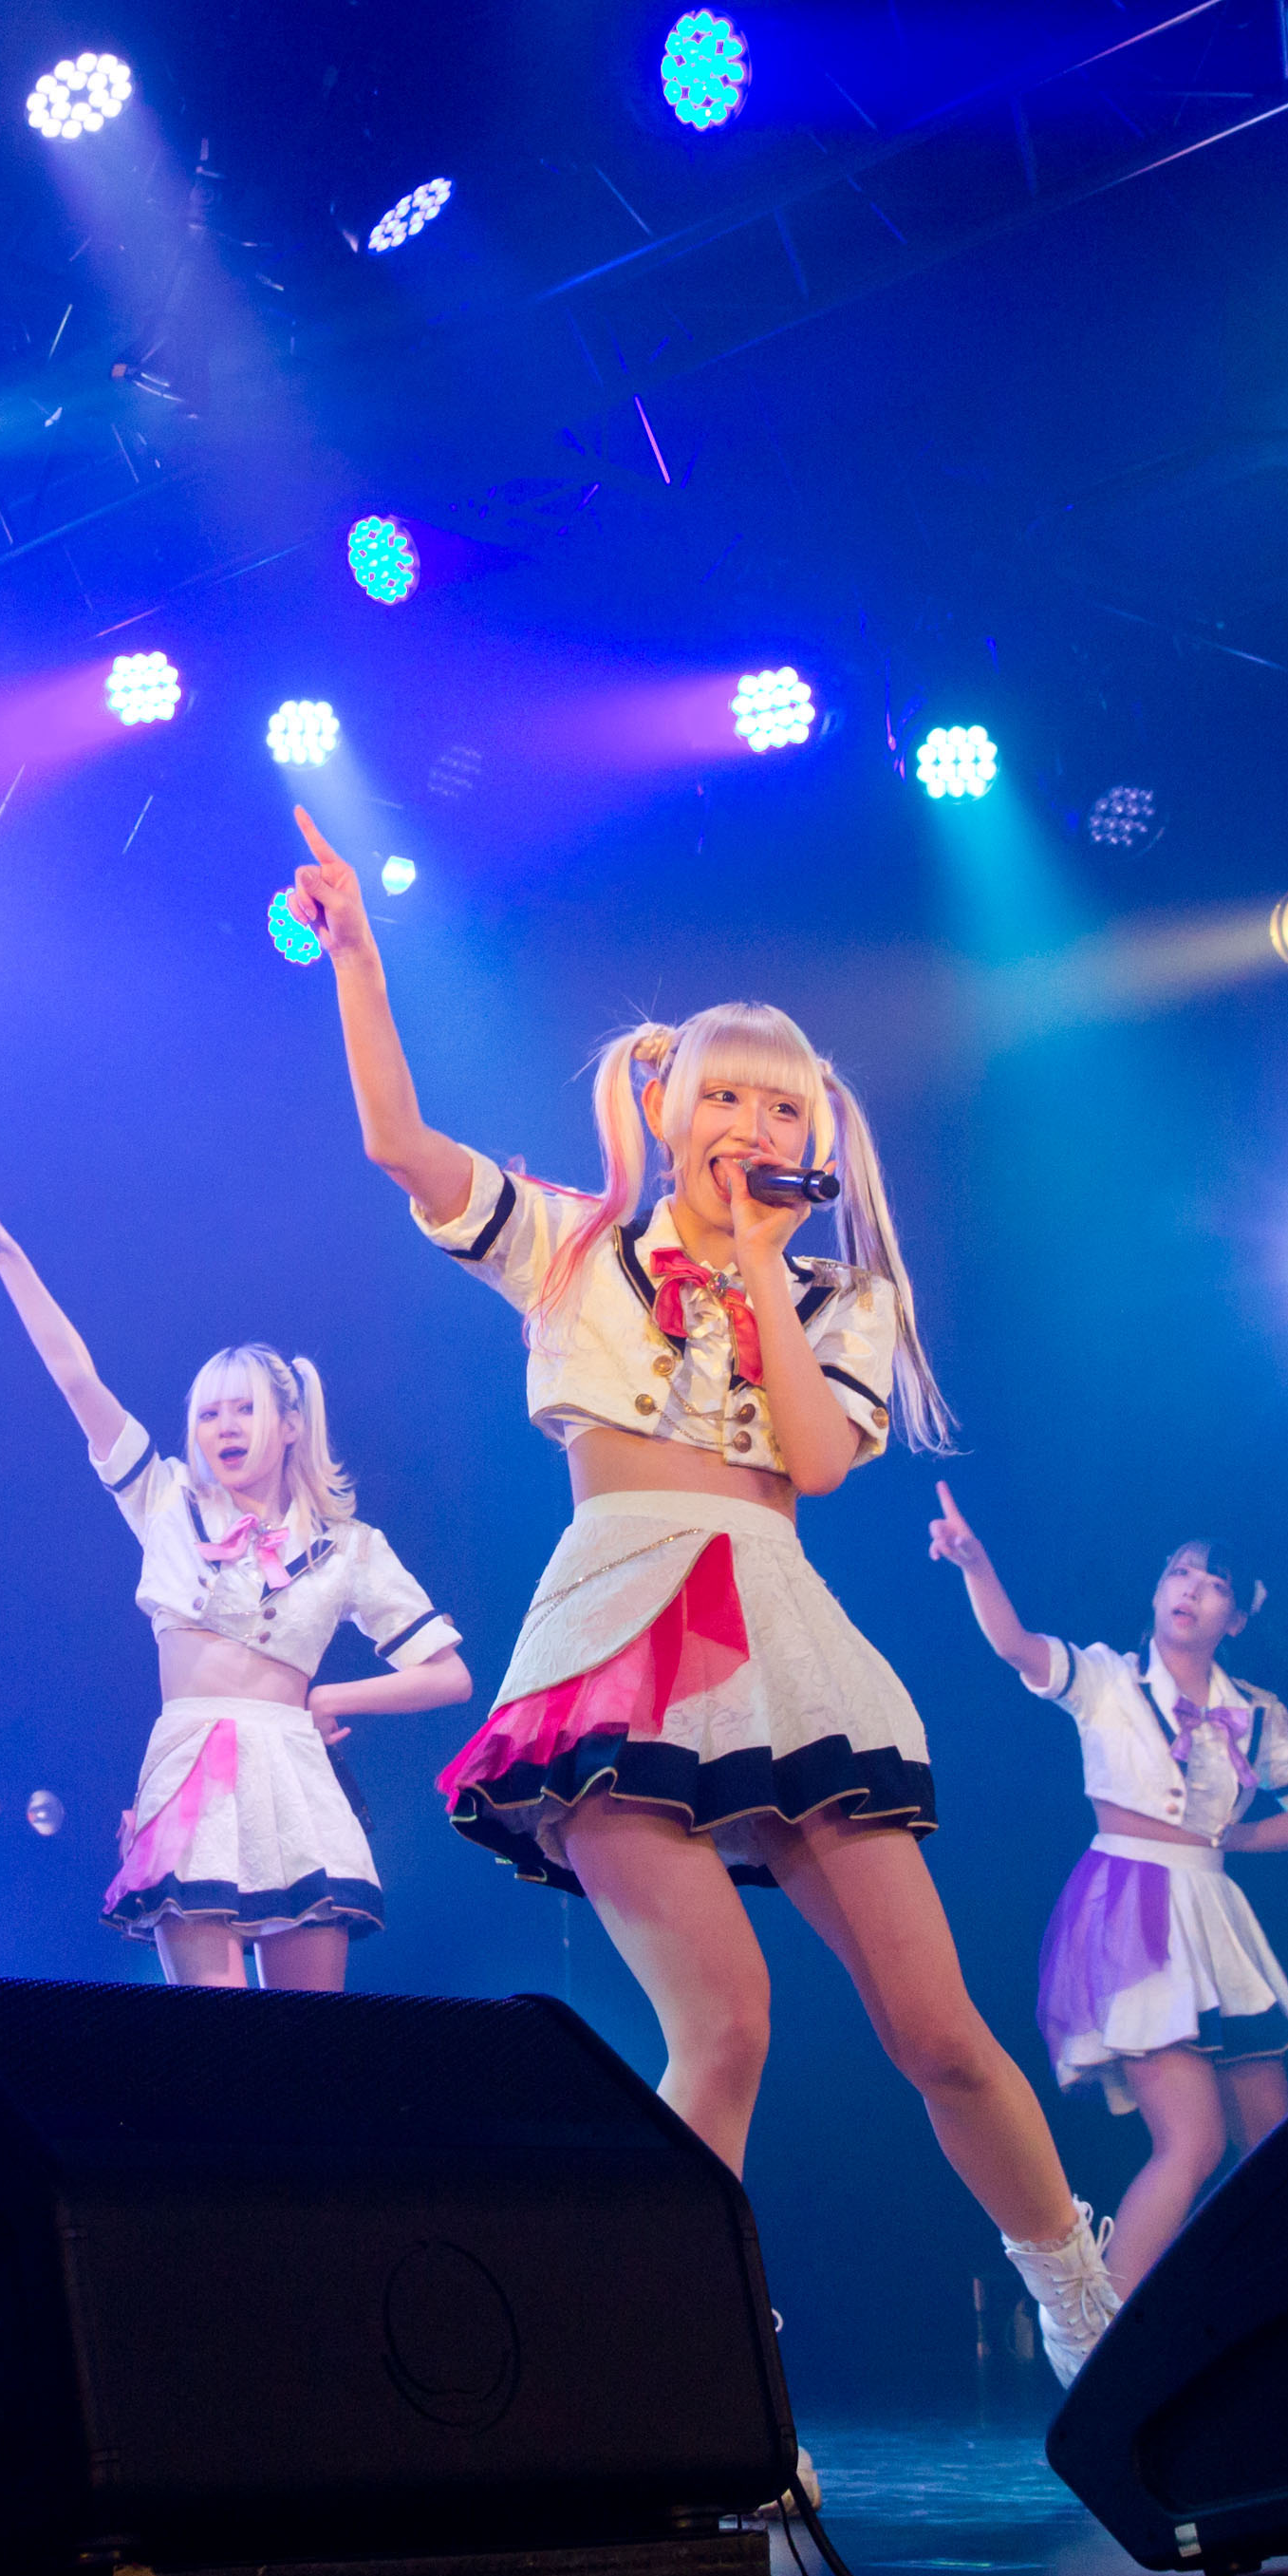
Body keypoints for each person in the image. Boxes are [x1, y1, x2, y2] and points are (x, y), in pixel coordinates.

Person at [286, 811, 1126, 2383]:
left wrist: (758, 1275)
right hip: (614, 1632)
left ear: (818, 1129)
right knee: (722, 2025)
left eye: (782, 1099)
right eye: (726, 1090)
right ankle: (687, 2359)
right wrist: (359, 962)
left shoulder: (839, 1287)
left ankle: (1081, 2303)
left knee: (939, 2030)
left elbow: (817, 1458)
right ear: (669, 1103)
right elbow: (402, 1145)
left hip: (782, 1635)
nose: (751, 1116)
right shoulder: (573, 1240)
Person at [0, 1162, 476, 1983]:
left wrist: (330, 1697)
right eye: (209, 1412)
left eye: (244, 1408)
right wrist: (7, 1253)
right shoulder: (164, 1501)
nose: (224, 1426)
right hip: (190, 1772)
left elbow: (449, 1675)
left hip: (294, 1778)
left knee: (310, 2039)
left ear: (289, 1424)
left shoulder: (347, 1545)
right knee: (212, 2036)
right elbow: (76, 1376)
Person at [926, 1503, 1288, 2302]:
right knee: (1191, 2139)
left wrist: (1229, 1838)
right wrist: (975, 1562)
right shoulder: (1109, 1678)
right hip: (1131, 1907)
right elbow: (1016, 1645)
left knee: (1273, 2145)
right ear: (1156, 1590)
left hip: (1216, 1921)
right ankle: (1100, 2328)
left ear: (1236, 1617)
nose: (1191, 1589)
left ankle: (1275, 2310)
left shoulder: (1257, 1712)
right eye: (1180, 1572)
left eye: (1215, 1584)